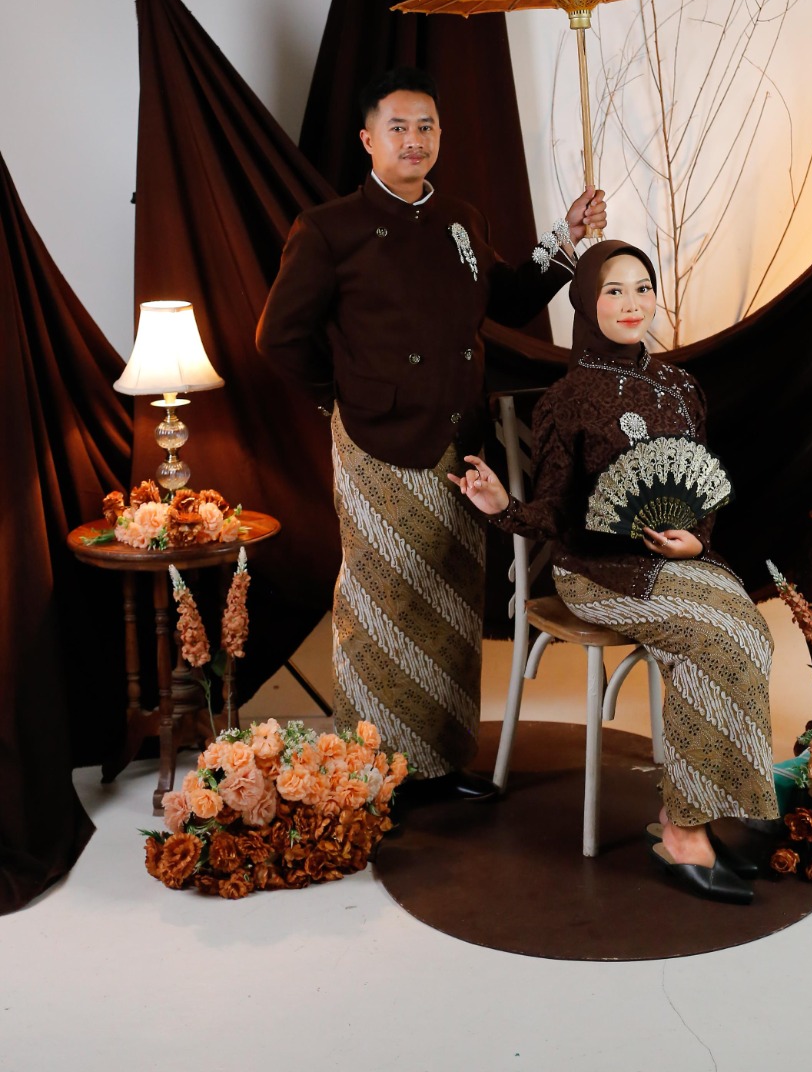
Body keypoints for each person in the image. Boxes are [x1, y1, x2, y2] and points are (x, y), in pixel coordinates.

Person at [256, 66, 606, 802]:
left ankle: (444, 760)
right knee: (384, 604)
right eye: (398, 128)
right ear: (367, 139)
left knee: (450, 598)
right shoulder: (328, 229)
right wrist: (340, 398)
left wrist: (566, 238)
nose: (414, 140)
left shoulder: (460, 218)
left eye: (426, 126)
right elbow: (278, 337)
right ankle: (373, 769)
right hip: (377, 440)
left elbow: (505, 298)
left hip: (459, 436)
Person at [450, 239, 778, 900]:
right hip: (598, 573)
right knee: (709, 636)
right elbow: (552, 513)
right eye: (614, 290)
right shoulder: (568, 398)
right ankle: (685, 832)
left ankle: (708, 810)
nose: (632, 303)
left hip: (675, 564)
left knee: (749, 629)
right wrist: (502, 506)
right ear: (586, 303)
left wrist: (695, 542)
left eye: (642, 288)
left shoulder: (682, 387)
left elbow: (702, 495)